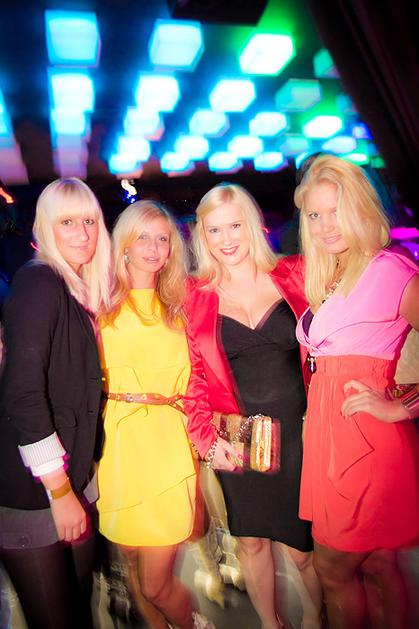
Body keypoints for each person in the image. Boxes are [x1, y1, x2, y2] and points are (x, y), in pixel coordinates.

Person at [183, 183, 322, 629]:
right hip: (238, 438)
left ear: (253, 225)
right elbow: (193, 380)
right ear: (202, 236)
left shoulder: (296, 273)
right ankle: (270, 623)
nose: (226, 239)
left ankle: (316, 617)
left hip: (301, 434)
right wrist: (207, 442)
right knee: (251, 543)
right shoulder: (194, 296)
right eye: (214, 230)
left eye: (235, 226)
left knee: (302, 549)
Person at [294, 154, 419, 629]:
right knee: (379, 565)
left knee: (331, 568)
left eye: (336, 211)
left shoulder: (390, 270)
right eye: (315, 214)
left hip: (365, 438)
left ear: (362, 208)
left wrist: (402, 408)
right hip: (331, 434)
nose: (326, 226)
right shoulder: (330, 271)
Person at [0, 177, 112, 628]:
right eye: (67, 222)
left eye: (89, 221)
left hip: (69, 480)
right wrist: (60, 491)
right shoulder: (40, 281)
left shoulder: (74, 287)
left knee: (79, 607)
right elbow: (23, 393)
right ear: (45, 227)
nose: (82, 234)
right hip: (34, 492)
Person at [97, 200, 212, 629]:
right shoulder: (97, 304)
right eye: (142, 236)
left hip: (167, 448)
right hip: (116, 449)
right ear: (123, 244)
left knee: (156, 584)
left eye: (162, 239)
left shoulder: (183, 304)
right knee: (131, 562)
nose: (152, 247)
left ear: (171, 250)